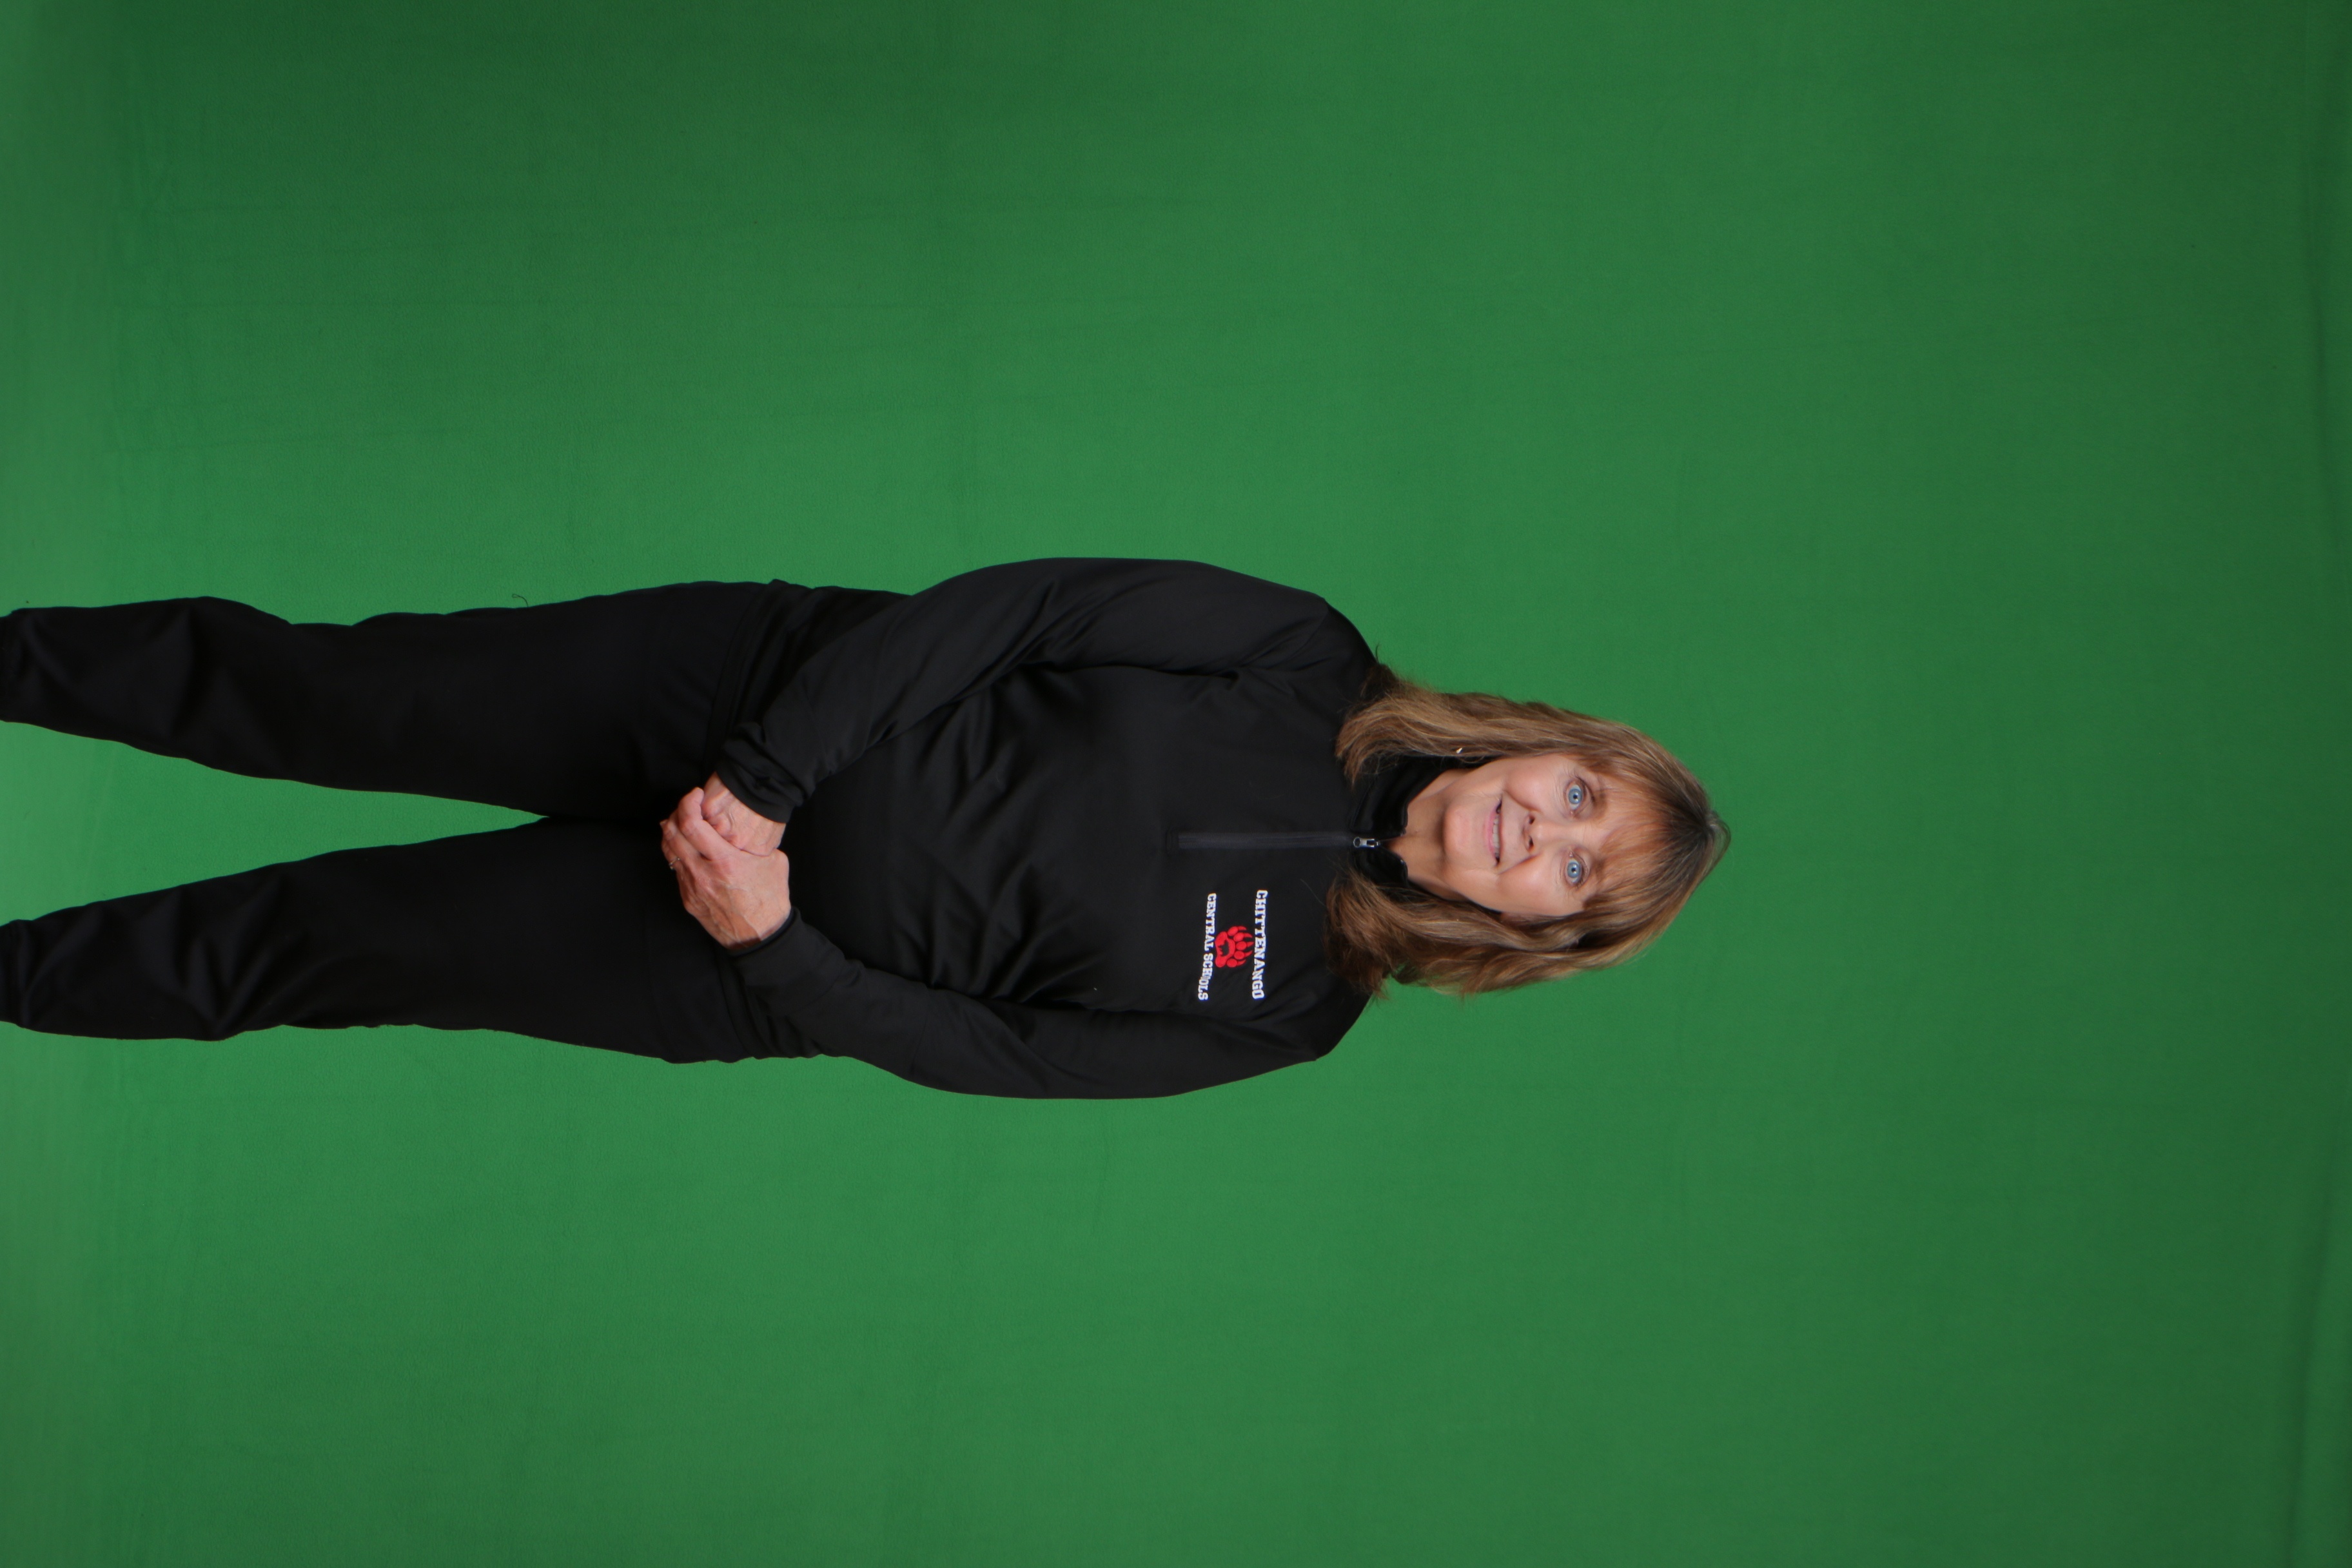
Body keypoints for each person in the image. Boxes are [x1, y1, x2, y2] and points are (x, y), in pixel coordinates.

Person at [0, 558, 1727, 1098]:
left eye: (1579, 874)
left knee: (318, 950)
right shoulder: (1301, 657)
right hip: (727, 695)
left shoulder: (1291, 1013)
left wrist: (768, 940)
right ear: (1542, 744)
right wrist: (760, 777)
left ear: (1538, 935)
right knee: (327, 696)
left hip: (721, 960)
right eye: (1579, 794)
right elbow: (1013, 614)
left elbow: (1002, 1054)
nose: (1541, 835)